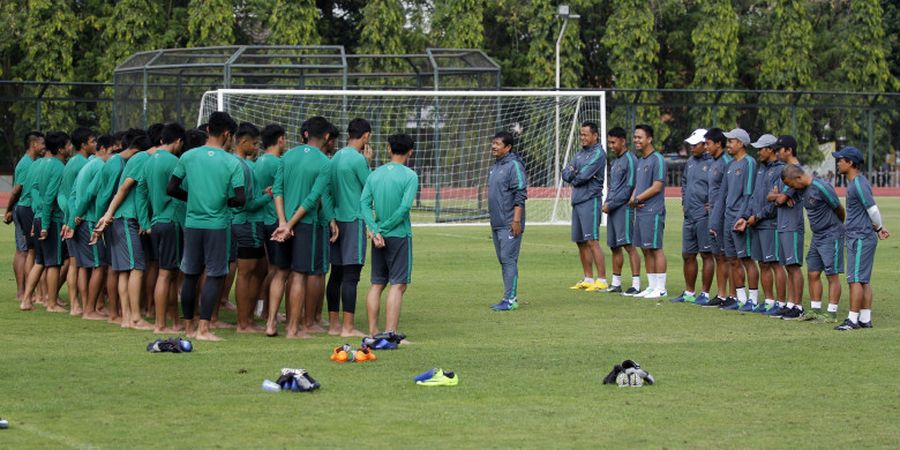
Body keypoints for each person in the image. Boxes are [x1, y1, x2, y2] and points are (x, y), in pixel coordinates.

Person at [167, 111, 246, 341]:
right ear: (227, 134)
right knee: (214, 275)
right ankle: (204, 329)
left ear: (208, 130)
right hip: (217, 225)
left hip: (192, 223)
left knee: (190, 274)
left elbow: (171, 188)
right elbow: (240, 199)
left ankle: (189, 326)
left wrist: (192, 199)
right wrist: (223, 202)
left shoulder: (188, 157)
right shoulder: (232, 162)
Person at [271, 116, 336, 339]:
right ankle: (292, 329)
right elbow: (312, 199)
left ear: (305, 133)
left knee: (280, 273)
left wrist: (282, 222)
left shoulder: (287, 155)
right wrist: (290, 225)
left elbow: (277, 190)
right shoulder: (325, 163)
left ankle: (271, 324)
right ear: (327, 136)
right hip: (304, 225)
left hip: (281, 224)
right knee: (298, 275)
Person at [359, 133, 418, 337]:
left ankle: (373, 332)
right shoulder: (410, 176)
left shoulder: (374, 174)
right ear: (410, 152)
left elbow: (364, 203)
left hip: (378, 238)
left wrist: (375, 229)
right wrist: (382, 229)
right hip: (398, 235)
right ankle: (390, 332)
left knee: (377, 284)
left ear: (388, 149)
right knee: (398, 284)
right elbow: (404, 208)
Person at [94, 133, 154, 330]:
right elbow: (120, 190)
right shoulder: (139, 159)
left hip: (120, 219)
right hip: (126, 219)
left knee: (124, 271)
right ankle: (134, 318)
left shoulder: (127, 160)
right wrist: (105, 217)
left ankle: (127, 318)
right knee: (136, 268)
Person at [832, 147, 890, 330]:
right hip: (862, 236)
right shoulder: (858, 183)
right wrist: (876, 227)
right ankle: (865, 319)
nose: (838, 163)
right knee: (863, 279)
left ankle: (852, 320)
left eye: (841, 160)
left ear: (850, 163)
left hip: (860, 237)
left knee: (855, 279)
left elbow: (872, 209)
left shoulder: (857, 184)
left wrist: (879, 227)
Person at [326, 118, 373, 335]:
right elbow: (369, 186)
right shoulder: (358, 159)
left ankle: (334, 324)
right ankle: (348, 327)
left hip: (336, 221)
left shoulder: (335, 157)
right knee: (351, 276)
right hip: (354, 220)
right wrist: (368, 163)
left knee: (336, 274)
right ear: (366, 136)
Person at [139, 122, 187, 332]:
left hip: (157, 222)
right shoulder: (175, 162)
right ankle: (160, 324)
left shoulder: (149, 161)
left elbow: (141, 192)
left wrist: (144, 221)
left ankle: (174, 322)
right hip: (171, 221)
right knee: (166, 275)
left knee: (168, 273)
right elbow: (184, 191)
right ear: (177, 141)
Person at [780, 164, 845, 322]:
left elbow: (838, 208)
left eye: (790, 184)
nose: (790, 188)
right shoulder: (801, 190)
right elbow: (785, 199)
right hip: (817, 236)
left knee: (832, 274)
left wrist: (837, 227)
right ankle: (815, 310)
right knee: (813, 273)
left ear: (799, 178)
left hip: (831, 234)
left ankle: (831, 313)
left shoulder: (822, 187)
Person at [20, 131, 71, 312]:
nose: (70, 148)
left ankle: (26, 300)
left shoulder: (39, 164)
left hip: (39, 217)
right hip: (52, 220)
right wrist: (47, 223)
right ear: (60, 148)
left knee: (40, 261)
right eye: (68, 145)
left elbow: (33, 189)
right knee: (54, 263)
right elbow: (50, 197)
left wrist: (37, 216)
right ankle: (51, 303)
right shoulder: (59, 167)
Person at [62, 130, 109, 320]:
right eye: (92, 141)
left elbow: (70, 194)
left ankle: (80, 306)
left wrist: (70, 219)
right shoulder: (92, 164)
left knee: (81, 266)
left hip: (76, 218)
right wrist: (76, 218)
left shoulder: (82, 163)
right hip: (86, 220)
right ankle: (88, 309)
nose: (94, 143)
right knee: (97, 265)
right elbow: (88, 194)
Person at [739, 134, 786, 315]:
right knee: (763, 264)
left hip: (770, 223)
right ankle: (768, 301)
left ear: (771, 150)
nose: (758, 152)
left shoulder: (780, 170)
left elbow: (776, 202)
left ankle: (781, 303)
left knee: (775, 263)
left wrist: (757, 216)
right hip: (756, 223)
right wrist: (746, 216)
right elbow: (754, 196)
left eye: (761, 149)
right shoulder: (761, 169)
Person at [231, 122, 269, 333]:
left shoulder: (241, 164)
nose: (256, 148)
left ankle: (248, 319)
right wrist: (267, 197)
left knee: (260, 269)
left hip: (246, 223)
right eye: (254, 144)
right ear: (243, 141)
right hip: (247, 223)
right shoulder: (241, 167)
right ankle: (243, 323)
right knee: (246, 273)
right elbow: (246, 203)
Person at [562, 122, 607, 292]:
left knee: (592, 240)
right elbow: (565, 172)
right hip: (578, 200)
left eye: (586, 134)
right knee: (580, 242)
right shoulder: (579, 154)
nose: (582, 138)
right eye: (581, 134)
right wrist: (573, 173)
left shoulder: (598, 154)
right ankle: (588, 278)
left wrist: (574, 174)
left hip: (590, 200)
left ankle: (601, 279)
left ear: (595, 136)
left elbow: (583, 176)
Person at [670, 128, 713, 304]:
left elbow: (717, 186)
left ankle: (705, 294)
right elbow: (685, 183)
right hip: (689, 215)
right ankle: (689, 292)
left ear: (705, 145)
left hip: (704, 215)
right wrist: (684, 202)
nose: (692, 148)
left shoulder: (713, 162)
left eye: (696, 145)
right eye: (691, 145)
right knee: (687, 254)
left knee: (706, 254)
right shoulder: (690, 162)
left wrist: (710, 204)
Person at [718, 128, 759, 311]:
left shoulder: (749, 163)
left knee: (747, 259)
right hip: (727, 219)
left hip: (740, 219)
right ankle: (740, 298)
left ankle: (753, 299)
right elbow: (723, 194)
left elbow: (749, 193)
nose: (728, 144)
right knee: (732, 260)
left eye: (731, 141)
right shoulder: (730, 165)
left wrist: (742, 216)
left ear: (741, 143)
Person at [487, 131, 527, 311]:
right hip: (497, 223)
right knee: (504, 260)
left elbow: (520, 194)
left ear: (508, 147)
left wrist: (516, 220)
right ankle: (509, 296)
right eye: (493, 143)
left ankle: (510, 299)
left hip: (510, 223)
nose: (493, 146)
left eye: (497, 143)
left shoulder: (514, 166)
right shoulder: (496, 166)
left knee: (508, 259)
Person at [256, 124, 289, 337]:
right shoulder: (278, 163)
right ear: (280, 139)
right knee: (280, 271)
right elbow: (279, 192)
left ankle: (264, 310)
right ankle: (270, 318)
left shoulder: (258, 161)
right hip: (274, 221)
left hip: (260, 220)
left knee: (270, 269)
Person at [59, 127, 96, 316]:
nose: (95, 145)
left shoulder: (72, 161)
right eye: (92, 141)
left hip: (69, 215)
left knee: (75, 264)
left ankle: (76, 304)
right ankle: (77, 304)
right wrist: (73, 221)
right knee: (79, 265)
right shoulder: (83, 163)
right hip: (77, 218)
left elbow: (65, 193)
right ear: (83, 145)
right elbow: (78, 195)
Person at [767, 135, 805, 319]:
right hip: (782, 222)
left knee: (794, 265)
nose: (777, 152)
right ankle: (790, 303)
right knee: (788, 266)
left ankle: (798, 306)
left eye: (779, 149)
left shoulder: (796, 171)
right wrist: (778, 197)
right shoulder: (784, 170)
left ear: (788, 150)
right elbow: (772, 196)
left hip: (792, 223)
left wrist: (779, 197)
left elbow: (780, 198)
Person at [5, 131, 44, 303]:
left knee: (26, 251)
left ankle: (27, 291)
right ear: (34, 144)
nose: (44, 147)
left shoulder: (31, 162)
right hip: (24, 208)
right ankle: (22, 291)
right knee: (24, 251)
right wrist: (8, 209)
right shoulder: (26, 163)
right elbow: (16, 189)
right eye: (42, 143)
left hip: (25, 208)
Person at [629, 124, 667, 299]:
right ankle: (651, 286)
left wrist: (638, 199)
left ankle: (661, 287)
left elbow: (657, 186)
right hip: (641, 211)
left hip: (653, 211)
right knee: (646, 249)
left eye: (640, 137)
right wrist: (633, 198)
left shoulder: (657, 159)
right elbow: (639, 184)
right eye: (635, 137)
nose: (636, 140)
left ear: (649, 139)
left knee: (655, 248)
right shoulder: (641, 160)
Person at [602, 127, 641, 295]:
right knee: (614, 246)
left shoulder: (630, 160)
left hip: (624, 209)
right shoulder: (615, 161)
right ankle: (616, 283)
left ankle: (636, 284)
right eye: (609, 142)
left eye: (613, 142)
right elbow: (613, 187)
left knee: (628, 245)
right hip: (612, 209)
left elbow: (629, 187)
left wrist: (612, 204)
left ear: (623, 141)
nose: (611, 145)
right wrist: (607, 201)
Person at [702, 128, 734, 307]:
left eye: (708, 144)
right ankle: (721, 295)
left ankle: (732, 294)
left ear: (718, 144)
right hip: (712, 213)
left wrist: (718, 209)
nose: (706, 147)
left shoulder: (726, 163)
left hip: (723, 216)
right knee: (718, 256)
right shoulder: (713, 162)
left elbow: (727, 191)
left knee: (727, 256)